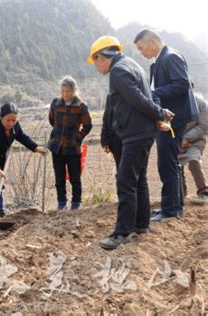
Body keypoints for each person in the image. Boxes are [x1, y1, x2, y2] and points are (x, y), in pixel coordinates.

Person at [87, 35, 173, 250]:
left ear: (101, 57)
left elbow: (137, 99)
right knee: (138, 180)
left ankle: (122, 233)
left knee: (125, 181)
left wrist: (160, 113)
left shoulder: (117, 70)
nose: (96, 67)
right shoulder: (132, 65)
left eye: (94, 62)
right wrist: (158, 114)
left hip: (135, 133)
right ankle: (141, 225)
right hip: (142, 132)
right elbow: (147, 97)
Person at [133, 29, 199, 221]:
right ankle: (173, 205)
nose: (141, 52)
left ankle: (171, 210)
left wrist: (156, 94)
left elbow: (182, 84)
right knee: (171, 163)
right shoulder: (161, 59)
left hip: (173, 119)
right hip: (169, 118)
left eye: (142, 48)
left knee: (167, 163)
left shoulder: (170, 57)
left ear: (152, 42)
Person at [0, 103, 47, 217]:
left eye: (14, 120)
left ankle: (0, 213)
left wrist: (35, 147)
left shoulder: (15, 126)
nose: (11, 123)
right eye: (8, 120)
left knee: (0, 185)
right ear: (1, 117)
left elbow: (22, 136)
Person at [47, 76, 92, 210]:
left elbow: (88, 126)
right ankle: (61, 203)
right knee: (59, 177)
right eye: (63, 91)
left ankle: (76, 203)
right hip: (57, 147)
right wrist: (57, 133)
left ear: (74, 91)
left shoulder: (81, 106)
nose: (65, 94)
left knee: (75, 177)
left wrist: (78, 137)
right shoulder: (55, 103)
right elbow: (51, 120)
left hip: (73, 147)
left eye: (68, 91)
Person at [179, 93, 208, 200]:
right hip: (175, 140)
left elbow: (203, 126)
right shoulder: (172, 102)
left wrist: (186, 138)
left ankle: (203, 191)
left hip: (196, 141)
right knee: (176, 166)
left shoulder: (201, 104)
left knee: (193, 160)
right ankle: (180, 192)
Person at [101, 93, 122, 170]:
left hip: (132, 140)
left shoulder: (134, 95)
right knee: (120, 170)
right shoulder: (110, 96)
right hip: (116, 141)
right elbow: (106, 118)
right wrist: (104, 140)